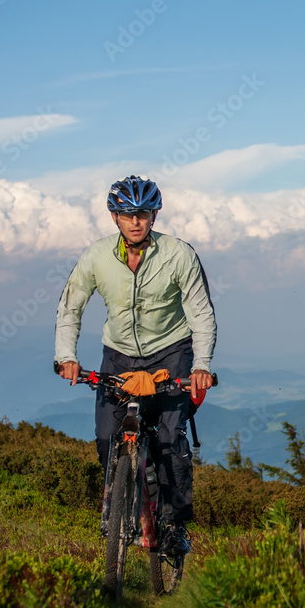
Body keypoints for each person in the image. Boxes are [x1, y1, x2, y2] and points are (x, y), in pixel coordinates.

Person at [54, 175, 217, 556]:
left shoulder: (179, 254)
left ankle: (175, 526)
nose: (136, 222)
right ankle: (132, 494)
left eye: (143, 213)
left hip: (171, 354)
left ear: (155, 214)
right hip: (119, 356)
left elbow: (202, 314)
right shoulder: (95, 256)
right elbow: (70, 306)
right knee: (105, 440)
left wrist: (202, 365)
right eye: (127, 215)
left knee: (169, 441)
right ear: (114, 217)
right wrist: (66, 357)